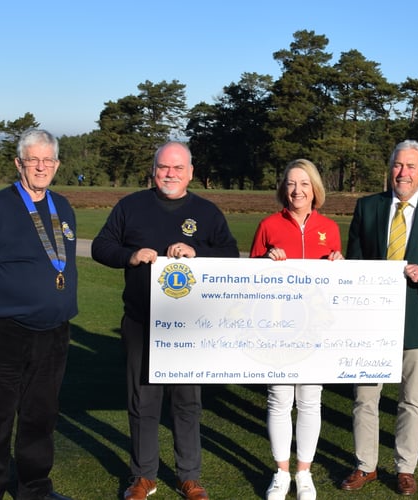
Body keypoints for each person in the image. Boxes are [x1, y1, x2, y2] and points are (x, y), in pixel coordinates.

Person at [91, 142, 239, 500]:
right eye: (163, 167)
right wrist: (130, 255)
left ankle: (189, 476)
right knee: (143, 401)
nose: (169, 174)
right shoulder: (131, 206)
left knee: (187, 402)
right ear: (153, 169)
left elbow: (231, 255)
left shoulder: (206, 212)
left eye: (176, 168)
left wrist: (197, 252)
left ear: (190, 171)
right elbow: (100, 247)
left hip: (189, 327)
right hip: (142, 322)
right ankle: (144, 477)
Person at [0, 128, 77, 500]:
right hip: (3, 331)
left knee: (40, 418)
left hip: (54, 332)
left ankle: (34, 488)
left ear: (57, 164)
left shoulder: (63, 206)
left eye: (48, 160)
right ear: (18, 163)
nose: (40, 167)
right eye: (33, 160)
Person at [340, 140, 418, 495]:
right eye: (398, 165)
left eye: (411, 167)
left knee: (412, 398)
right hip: (371, 323)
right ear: (389, 169)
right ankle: (365, 465)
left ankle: (405, 467)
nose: (403, 173)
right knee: (365, 397)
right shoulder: (367, 208)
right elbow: (354, 265)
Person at [249, 159, 344, 500]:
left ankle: (304, 474)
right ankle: (281, 472)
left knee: (309, 400)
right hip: (277, 328)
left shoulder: (329, 228)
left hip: (313, 329)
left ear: (315, 188)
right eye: (291, 183)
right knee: (278, 398)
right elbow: (250, 282)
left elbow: (336, 286)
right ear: (283, 188)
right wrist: (264, 261)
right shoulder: (268, 225)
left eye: (304, 183)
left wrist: (339, 266)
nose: (297, 190)